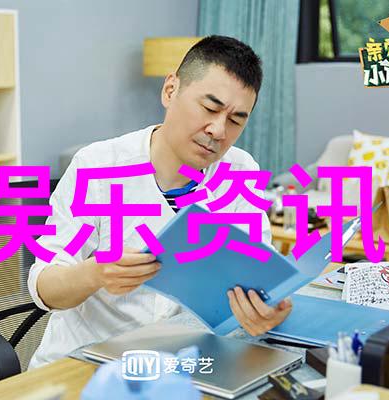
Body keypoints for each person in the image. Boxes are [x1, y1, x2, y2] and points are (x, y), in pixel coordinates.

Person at [27, 35, 292, 369]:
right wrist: (94, 273)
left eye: (236, 120)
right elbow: (44, 286)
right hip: (86, 363)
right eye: (210, 108)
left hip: (182, 364)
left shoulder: (240, 172)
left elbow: (258, 276)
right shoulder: (97, 166)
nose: (218, 130)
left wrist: (266, 308)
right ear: (170, 90)